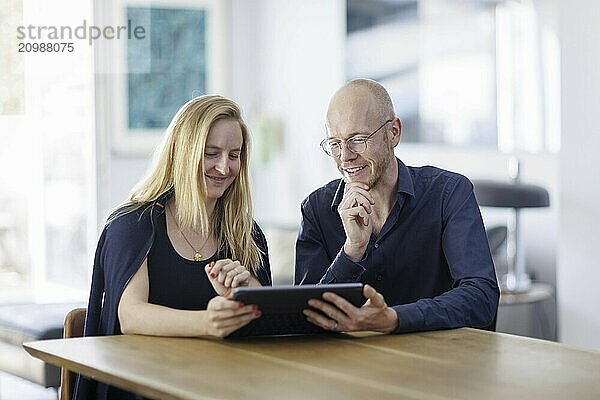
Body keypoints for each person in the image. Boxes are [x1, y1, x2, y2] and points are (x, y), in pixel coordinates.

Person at [75, 95, 271, 400]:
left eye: (234, 155)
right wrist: (208, 322)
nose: (224, 167)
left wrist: (245, 290)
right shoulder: (133, 225)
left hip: (221, 385)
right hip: (139, 386)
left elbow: (268, 325)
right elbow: (131, 316)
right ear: (182, 153)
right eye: (211, 153)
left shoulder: (246, 233)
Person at [295, 79, 499, 334]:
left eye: (357, 140)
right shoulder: (316, 209)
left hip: (439, 364)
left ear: (393, 133)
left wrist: (395, 318)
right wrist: (352, 251)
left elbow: (481, 297)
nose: (345, 156)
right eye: (334, 143)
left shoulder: (448, 193)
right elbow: (304, 318)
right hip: (351, 366)